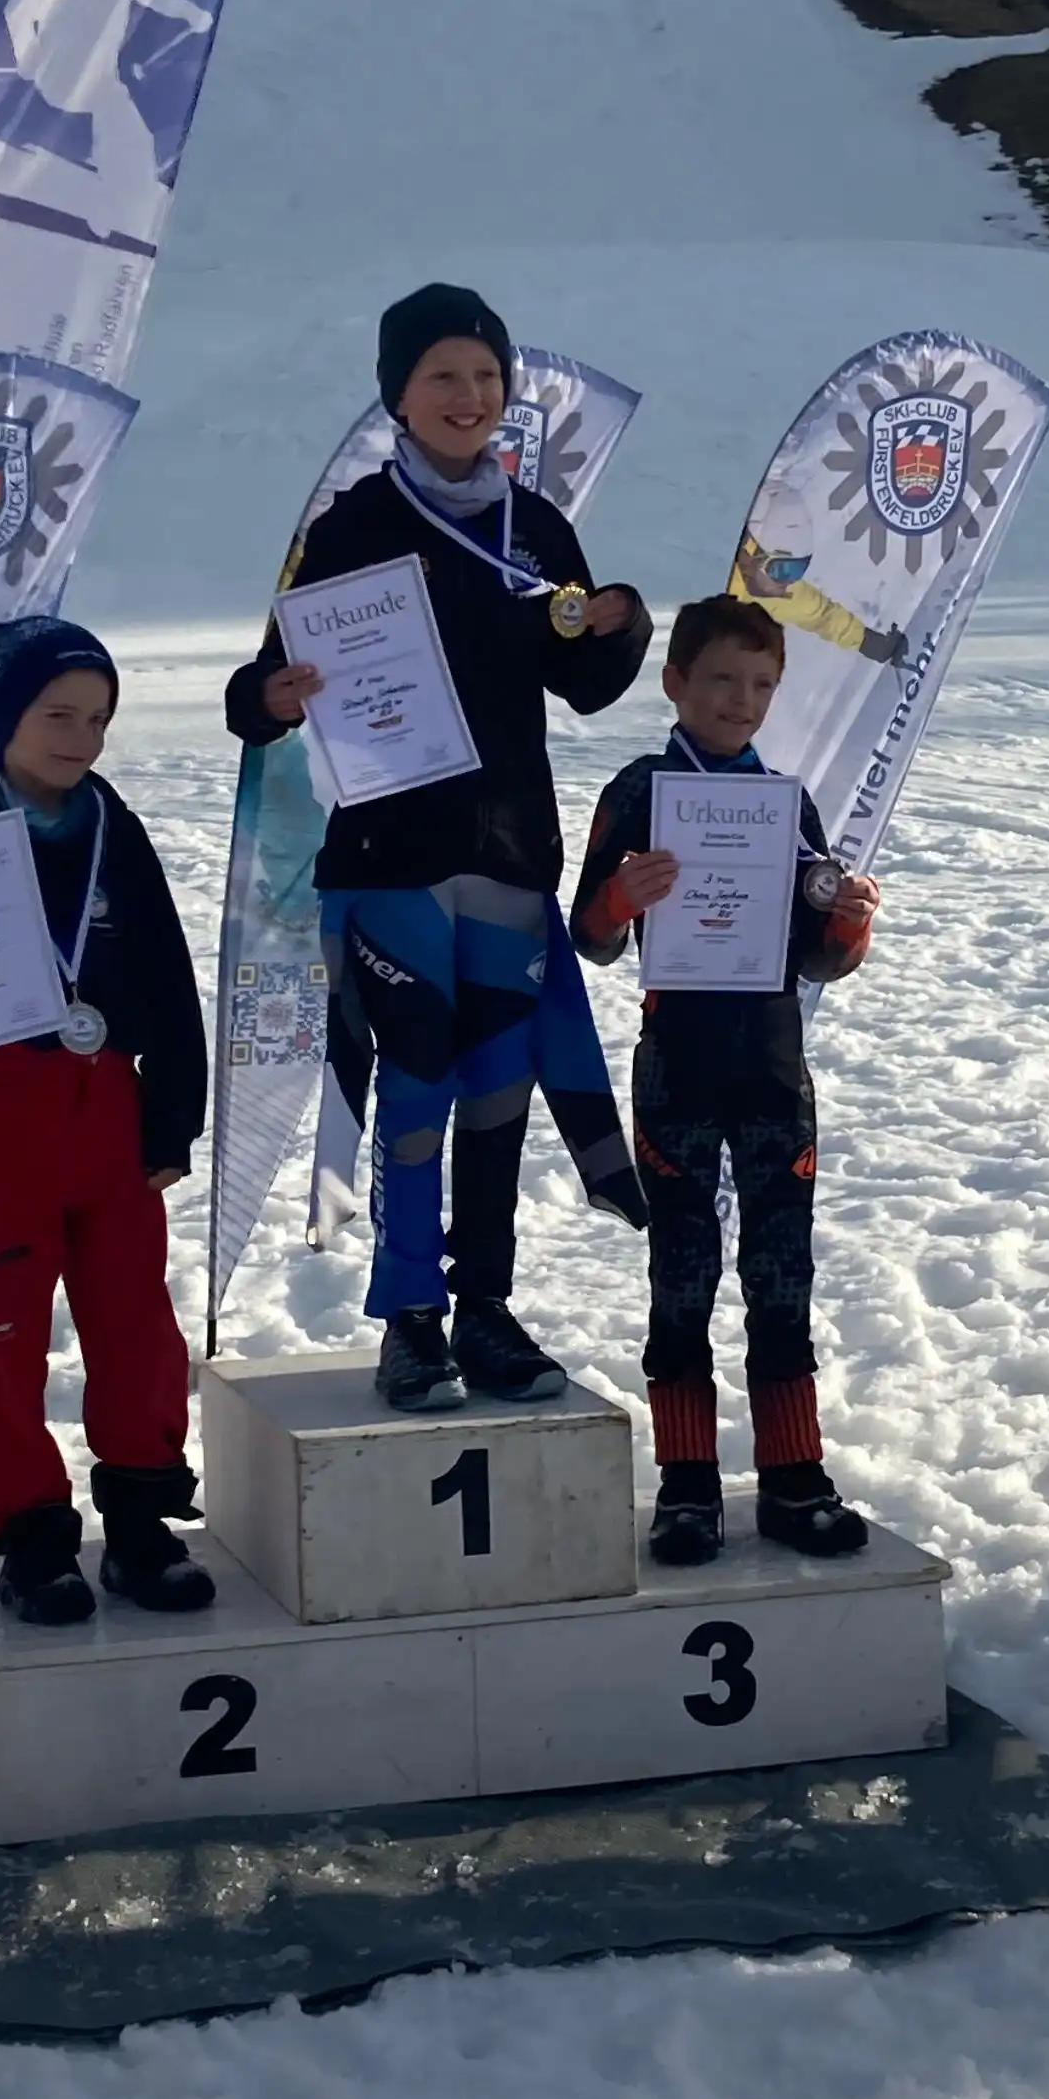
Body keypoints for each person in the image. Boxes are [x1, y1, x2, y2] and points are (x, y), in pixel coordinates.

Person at [228, 283, 651, 1411]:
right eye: (443, 377)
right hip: (389, 859)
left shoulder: (537, 527)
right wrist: (268, 694)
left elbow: (588, 682)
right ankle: (412, 1318)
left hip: (508, 853)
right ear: (398, 399)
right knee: (416, 1087)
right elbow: (259, 689)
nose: (471, 397)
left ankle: (490, 1310)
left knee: (499, 1094)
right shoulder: (355, 528)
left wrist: (620, 628)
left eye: (487, 377)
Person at [0, 614, 212, 1626]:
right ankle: (32, 1538)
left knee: (135, 1325)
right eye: (59, 714)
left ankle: (142, 1528)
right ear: (6, 713)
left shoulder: (112, 824)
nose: (81, 737)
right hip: (1, 1112)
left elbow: (166, 977)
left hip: (109, 1106)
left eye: (97, 718)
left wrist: (169, 1123)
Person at [573, 592, 880, 1563]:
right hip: (679, 1066)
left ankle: (794, 1478)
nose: (740, 701)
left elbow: (818, 958)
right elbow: (590, 933)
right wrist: (623, 894)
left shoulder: (784, 803)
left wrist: (850, 919)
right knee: (684, 1273)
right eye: (721, 681)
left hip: (772, 1067)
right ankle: (688, 1485)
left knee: (783, 1273)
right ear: (676, 684)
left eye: (761, 685)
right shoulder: (640, 791)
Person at [733, 474, 910, 665]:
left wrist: (871, 643)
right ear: (751, 555)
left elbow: (823, 615)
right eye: (782, 569)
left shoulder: (777, 593)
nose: (787, 583)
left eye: (798, 570)